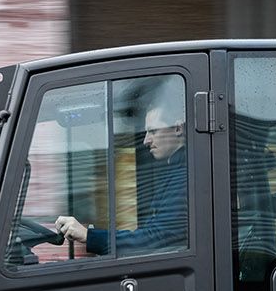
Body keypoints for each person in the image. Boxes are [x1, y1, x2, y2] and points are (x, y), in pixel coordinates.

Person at [53, 99, 187, 256]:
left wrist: (88, 236)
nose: (146, 140)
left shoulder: (183, 178)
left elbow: (156, 239)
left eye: (153, 131)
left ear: (178, 129)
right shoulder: (175, 171)